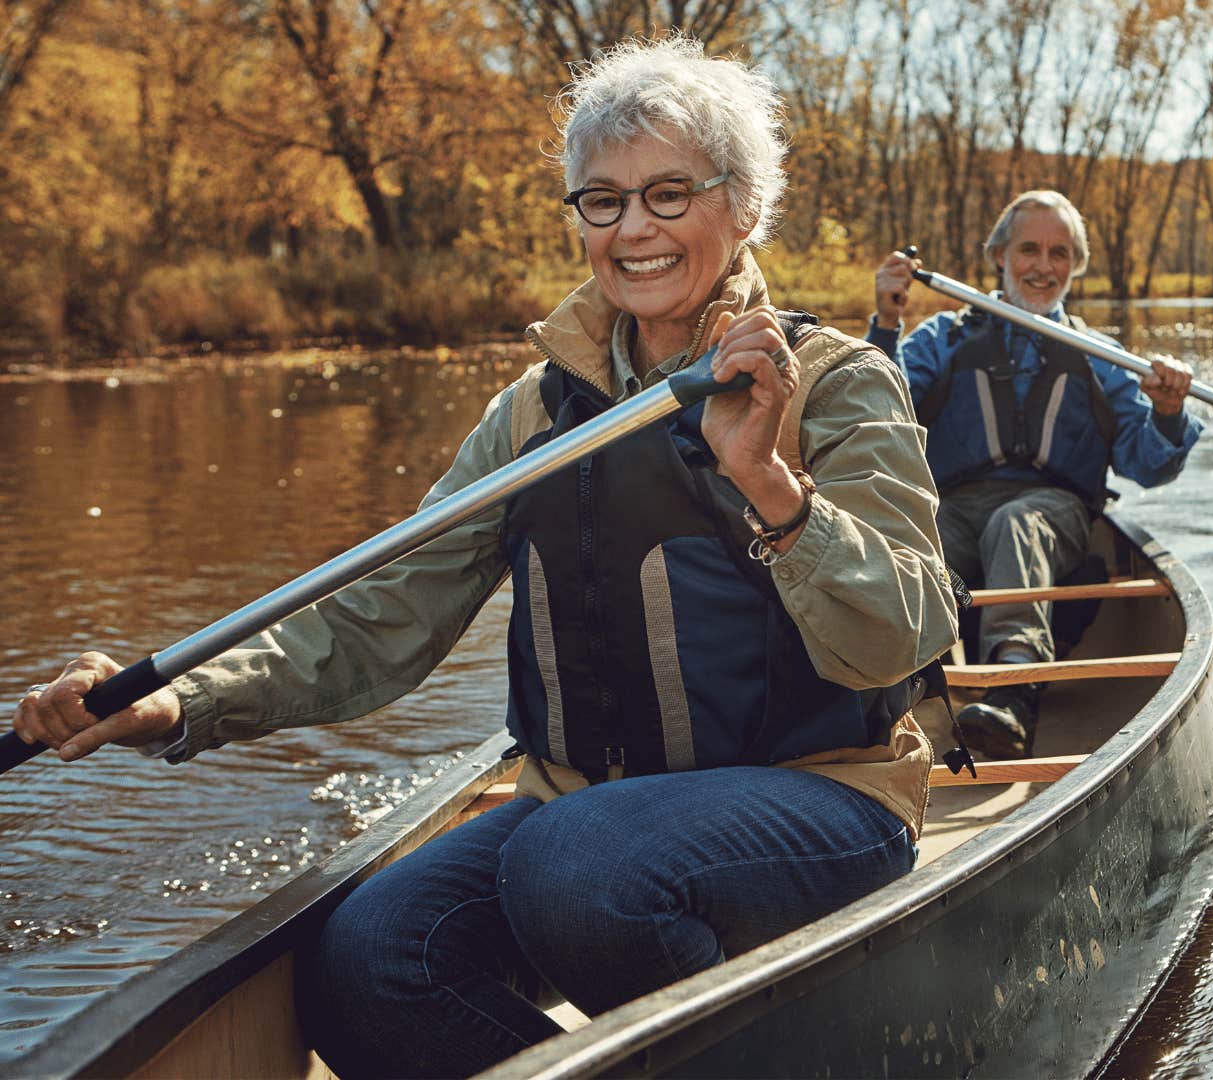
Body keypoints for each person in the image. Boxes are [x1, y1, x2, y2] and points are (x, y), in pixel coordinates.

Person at [11, 37, 956, 1078]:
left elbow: (905, 631)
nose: (633, 228)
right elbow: (377, 615)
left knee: (576, 868)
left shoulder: (836, 381)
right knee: (371, 964)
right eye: (602, 201)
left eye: (670, 193)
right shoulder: (532, 416)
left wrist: (771, 486)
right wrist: (175, 701)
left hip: (819, 800)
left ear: (743, 209)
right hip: (582, 818)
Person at [867, 190, 1199, 760]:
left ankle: (1014, 690)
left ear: (1075, 265)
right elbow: (875, 415)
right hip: (957, 507)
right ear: (999, 255)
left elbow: (1148, 463)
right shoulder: (942, 338)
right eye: (1029, 249)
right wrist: (888, 323)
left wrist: (1168, 412)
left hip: (1056, 513)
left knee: (1016, 523)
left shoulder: (1099, 355)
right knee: (917, 531)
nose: (1044, 267)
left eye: (1060, 253)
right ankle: (892, 690)